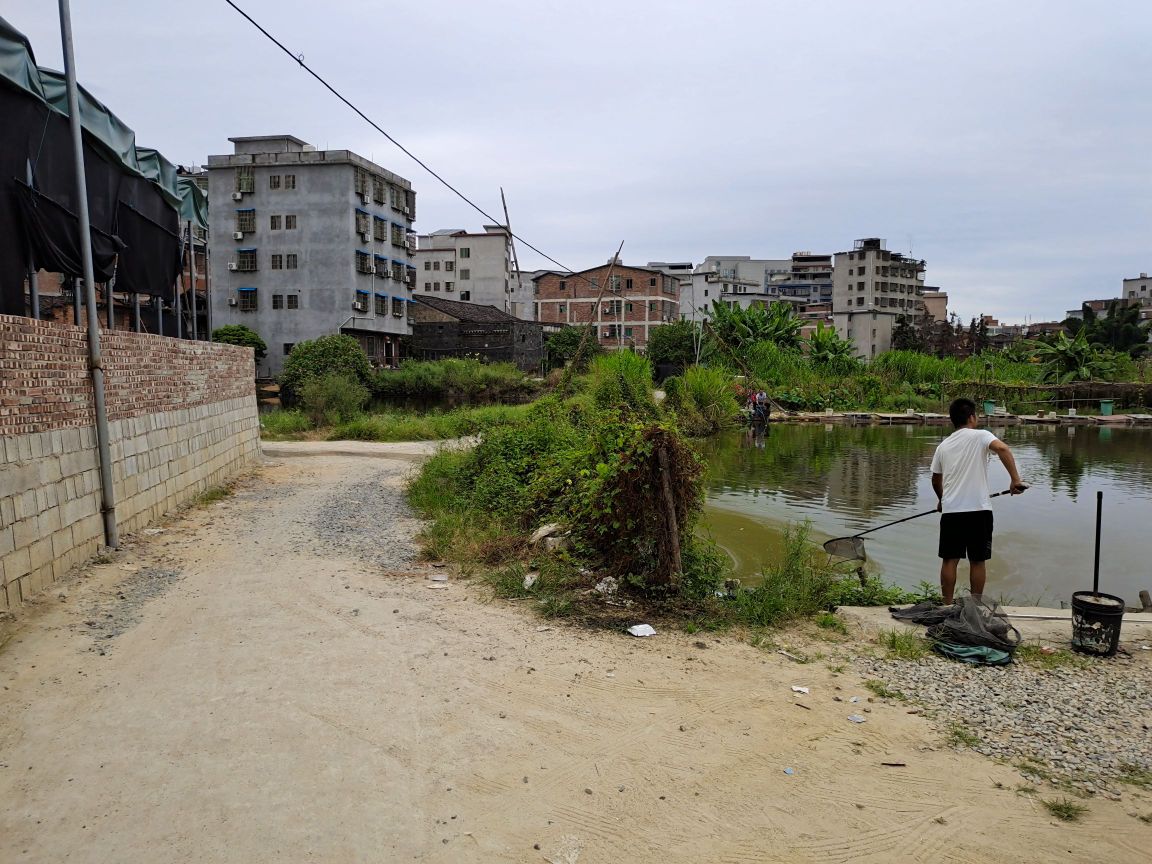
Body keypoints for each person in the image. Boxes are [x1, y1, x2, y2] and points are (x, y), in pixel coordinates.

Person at [930, 398, 1028, 604]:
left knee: (949, 560)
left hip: (952, 512)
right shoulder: (982, 435)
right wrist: (1015, 480)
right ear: (972, 417)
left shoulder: (943, 446)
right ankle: (975, 606)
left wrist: (942, 500)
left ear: (953, 420)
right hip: (979, 511)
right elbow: (1003, 449)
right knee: (977, 561)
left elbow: (936, 479)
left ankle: (947, 605)